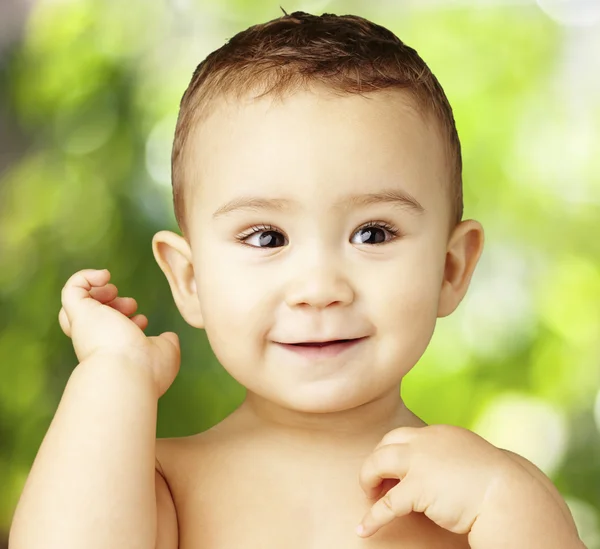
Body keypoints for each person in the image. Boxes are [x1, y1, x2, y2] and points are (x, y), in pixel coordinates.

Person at [9, 10, 585, 549]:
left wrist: (509, 504)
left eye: (374, 233)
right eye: (266, 238)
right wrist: (113, 375)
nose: (319, 287)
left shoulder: (484, 499)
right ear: (189, 280)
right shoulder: (159, 485)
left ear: (450, 268)